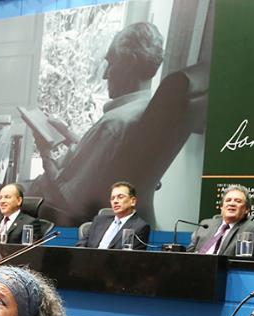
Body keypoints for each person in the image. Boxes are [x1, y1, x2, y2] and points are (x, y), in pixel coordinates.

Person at [28, 22, 164, 225]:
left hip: (58, 212)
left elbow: (66, 199)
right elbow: (105, 161)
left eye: (111, 63)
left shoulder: (113, 125)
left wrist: (45, 152)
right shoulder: (147, 110)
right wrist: (69, 136)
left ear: (129, 63)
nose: (105, 75)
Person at [187, 184, 254, 257]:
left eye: (238, 201)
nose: (231, 204)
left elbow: (244, 262)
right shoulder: (206, 225)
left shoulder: (250, 229)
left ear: (247, 209)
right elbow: (188, 253)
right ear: (221, 206)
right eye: (228, 200)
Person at [78, 181, 150, 249]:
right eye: (112, 198)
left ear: (133, 201)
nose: (115, 201)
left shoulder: (140, 227)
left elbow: (131, 256)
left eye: (120, 197)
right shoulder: (99, 220)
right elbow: (81, 245)